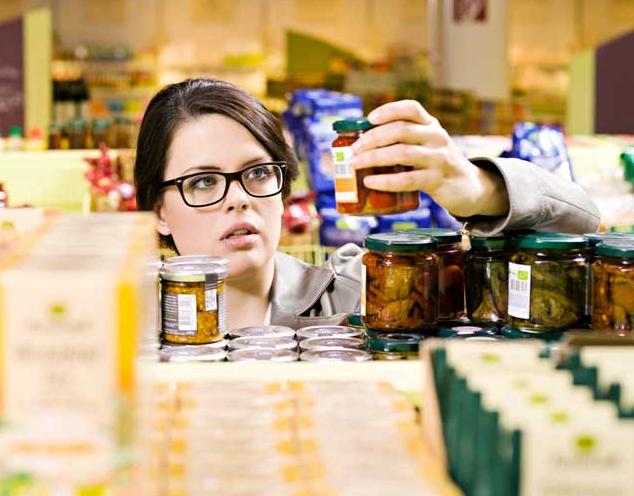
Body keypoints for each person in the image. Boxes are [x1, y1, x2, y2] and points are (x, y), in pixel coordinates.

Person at [134, 79, 600, 330]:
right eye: (203, 182)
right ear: (157, 207)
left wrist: (477, 188)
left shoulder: (363, 288)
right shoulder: (119, 317)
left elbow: (584, 239)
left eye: (257, 173)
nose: (237, 199)